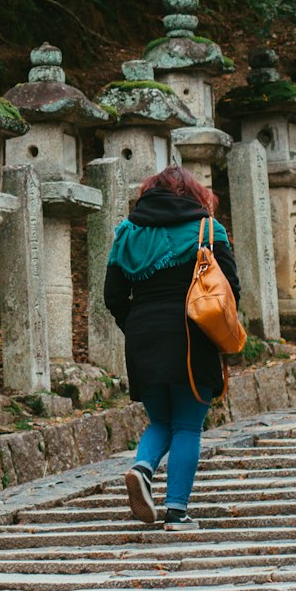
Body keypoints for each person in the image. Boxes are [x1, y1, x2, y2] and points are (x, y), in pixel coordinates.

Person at [103, 165, 241, 529]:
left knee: (161, 419)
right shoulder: (208, 230)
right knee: (186, 425)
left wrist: (134, 325)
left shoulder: (127, 234)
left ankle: (143, 467)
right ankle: (177, 511)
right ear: (194, 194)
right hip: (191, 334)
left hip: (142, 335)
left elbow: (113, 295)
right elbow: (231, 290)